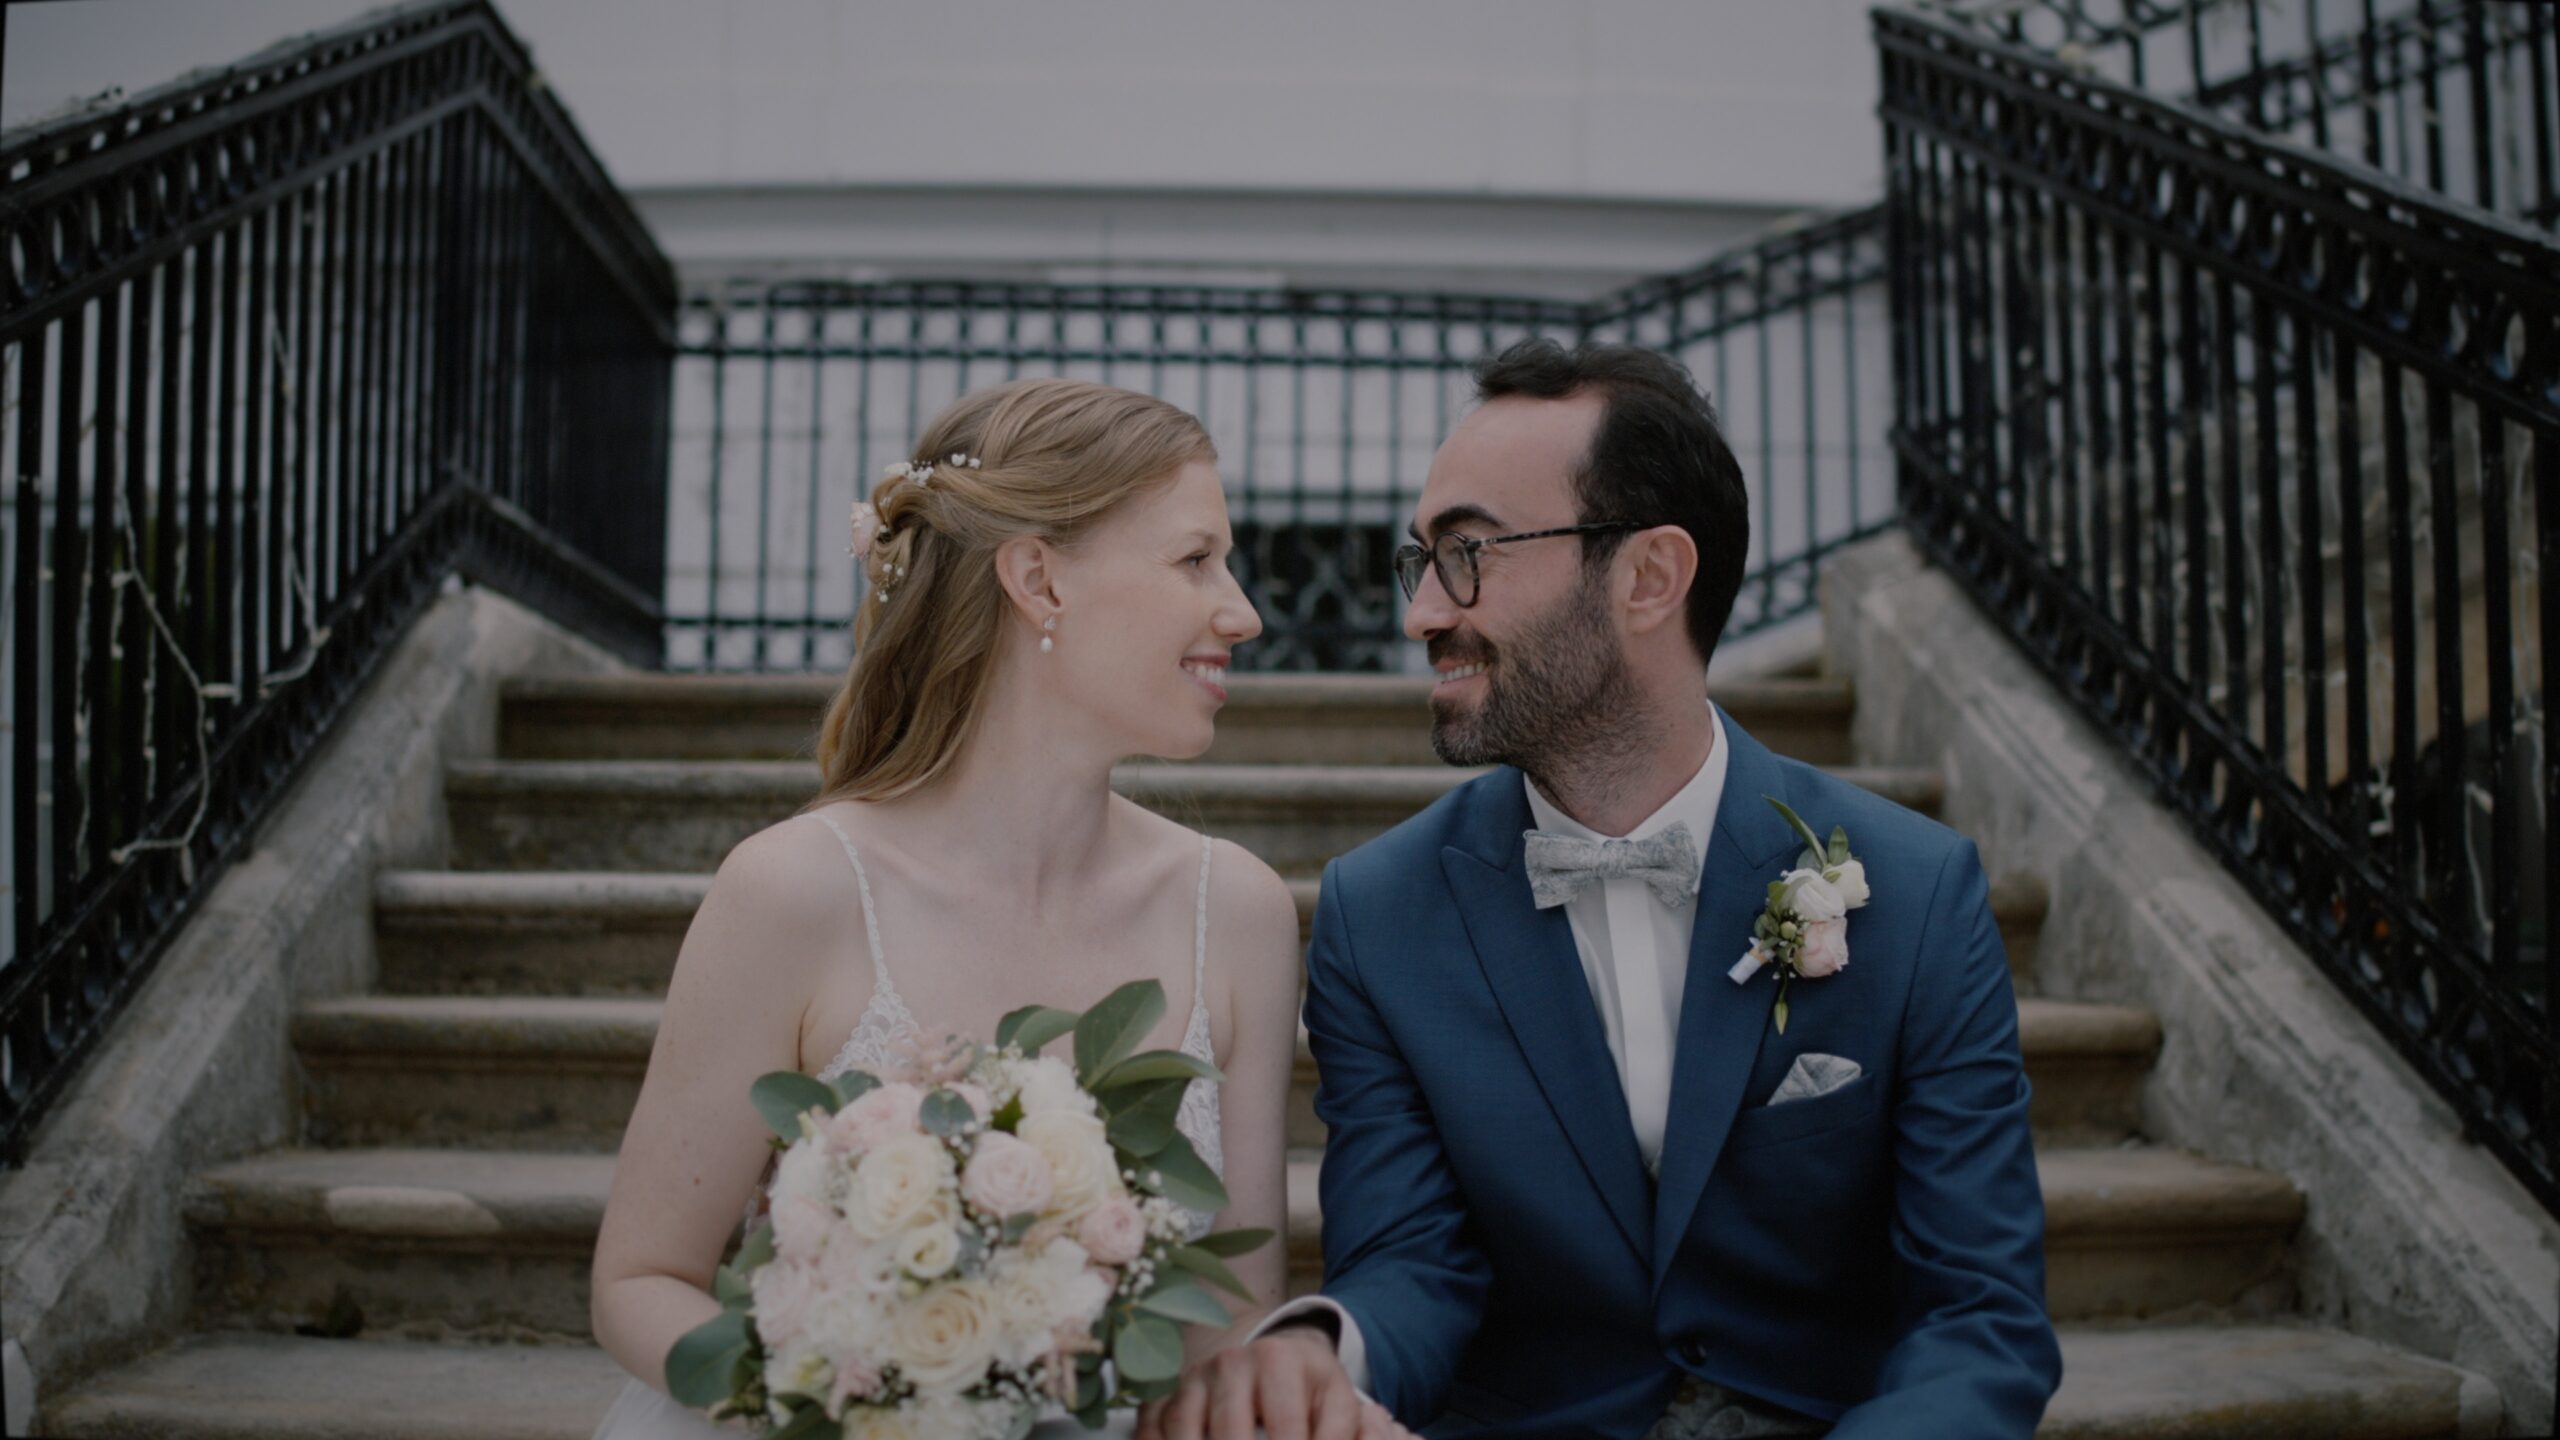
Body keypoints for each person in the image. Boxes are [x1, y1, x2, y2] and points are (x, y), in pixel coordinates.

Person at [1141, 341, 2062, 1440]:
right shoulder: (1376, 914)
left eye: (1468, 553)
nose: (1422, 612)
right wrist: (1321, 1352)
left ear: (1647, 578)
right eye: (1420, 561)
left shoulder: (1915, 893)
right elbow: (1411, 1262)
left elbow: (1981, 1318)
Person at [586, 378, 1414, 1440]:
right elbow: (641, 1280)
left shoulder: (1237, 911)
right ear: (1038, 580)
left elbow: (1226, 1326)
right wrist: (849, 1398)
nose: (1243, 612)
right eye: (1195, 559)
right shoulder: (791, 892)